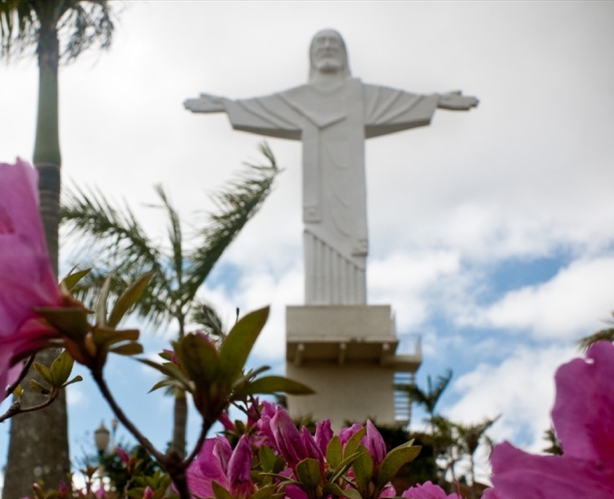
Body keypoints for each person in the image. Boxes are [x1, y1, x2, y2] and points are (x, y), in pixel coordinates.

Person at [185, 29, 478, 305]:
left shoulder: (360, 96)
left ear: (344, 54)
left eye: (332, 44)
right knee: (318, 238)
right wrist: (228, 106)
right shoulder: (300, 99)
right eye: (320, 44)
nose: (326, 48)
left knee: (352, 246)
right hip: (319, 203)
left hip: (350, 198)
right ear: (311, 56)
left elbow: (399, 102)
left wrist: (435, 101)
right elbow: (265, 107)